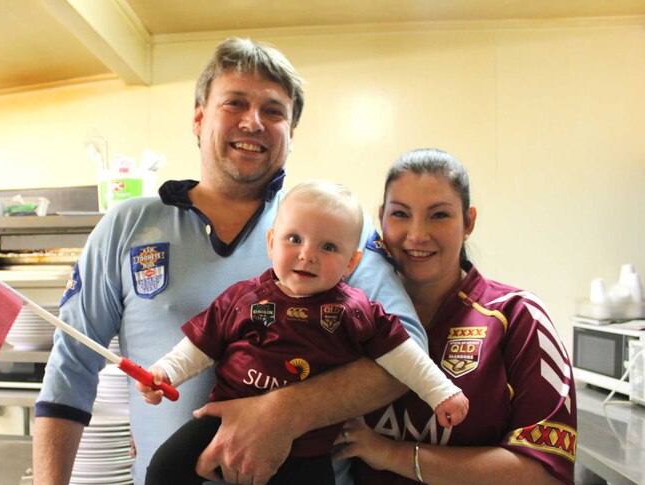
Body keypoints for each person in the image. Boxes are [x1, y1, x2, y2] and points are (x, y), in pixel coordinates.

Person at [33, 37, 424, 485]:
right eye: (235, 103)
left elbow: (408, 349)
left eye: (274, 111)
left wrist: (282, 413)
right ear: (199, 118)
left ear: (291, 134)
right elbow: (71, 365)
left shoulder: (334, 232)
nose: (253, 122)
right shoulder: (128, 225)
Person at [138, 180, 469, 485]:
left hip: (307, 449)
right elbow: (200, 345)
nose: (307, 254)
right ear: (272, 243)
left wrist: (441, 391)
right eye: (294, 239)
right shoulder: (242, 298)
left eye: (327, 247)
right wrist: (164, 372)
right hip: (222, 424)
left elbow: (403, 354)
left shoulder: (356, 311)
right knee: (165, 467)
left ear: (351, 263)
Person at [332, 148, 577, 484]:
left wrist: (391, 454)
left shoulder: (519, 316)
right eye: (401, 214)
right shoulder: (345, 316)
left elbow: (544, 473)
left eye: (439, 215)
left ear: (469, 222)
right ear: (381, 218)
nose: (417, 235)